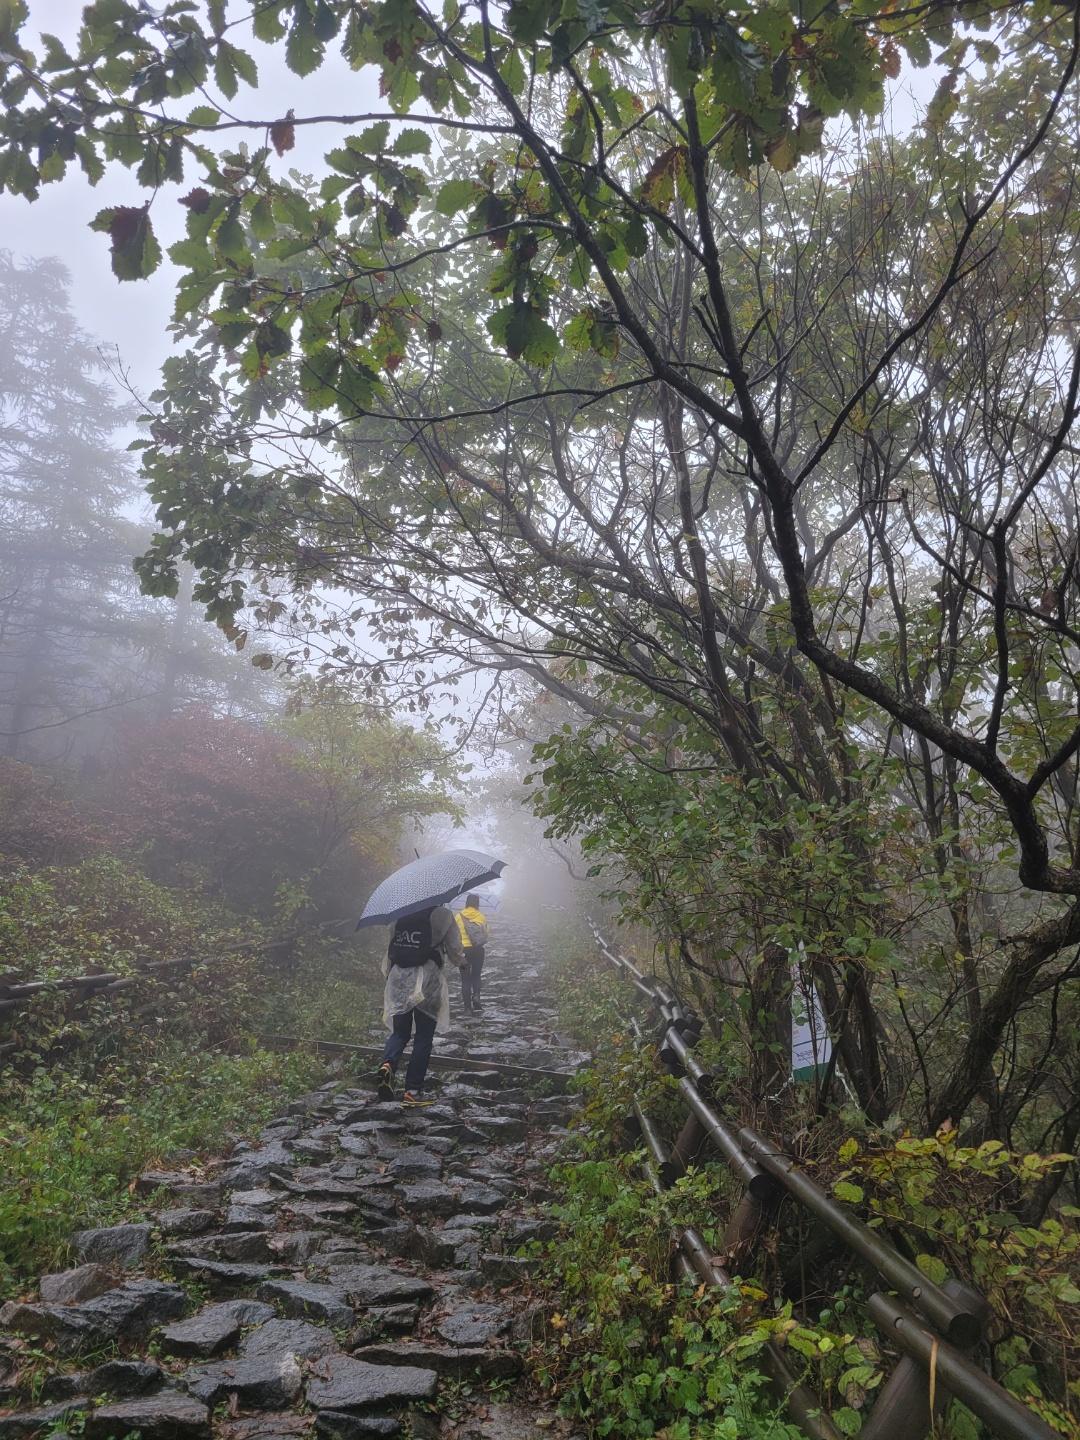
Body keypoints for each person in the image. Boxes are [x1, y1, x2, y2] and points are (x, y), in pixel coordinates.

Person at [376, 902, 464, 1105]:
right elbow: (455, 949)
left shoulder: (400, 914)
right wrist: (462, 963)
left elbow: (392, 949)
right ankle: (412, 1091)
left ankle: (388, 1064)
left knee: (400, 1033)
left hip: (399, 978)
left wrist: (390, 978)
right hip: (428, 980)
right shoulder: (443, 915)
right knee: (423, 1037)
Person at [454, 893, 489, 1014]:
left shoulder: (458, 916)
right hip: (478, 950)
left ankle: (467, 1008)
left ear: (467, 902)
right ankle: (476, 997)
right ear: (477, 903)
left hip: (463, 951)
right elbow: (486, 934)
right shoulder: (481, 916)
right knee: (476, 975)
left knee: (465, 979)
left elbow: (454, 934)